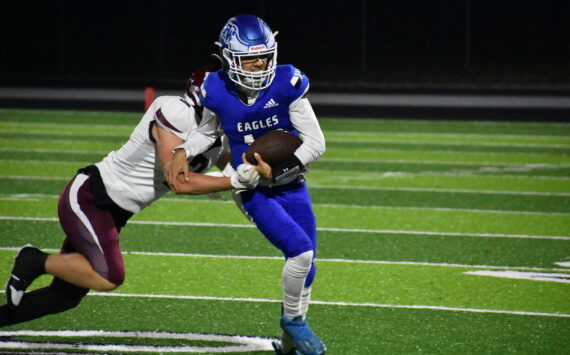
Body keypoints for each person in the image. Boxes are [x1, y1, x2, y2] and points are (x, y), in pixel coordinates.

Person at [0, 67, 261, 327]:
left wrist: (277, 167)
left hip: (113, 213)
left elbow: (238, 167)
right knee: (109, 275)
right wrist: (234, 180)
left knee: (64, 296)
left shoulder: (216, 134)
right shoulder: (176, 112)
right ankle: (33, 260)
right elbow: (179, 181)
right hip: (92, 197)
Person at [168, 14, 326, 355]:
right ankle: (294, 324)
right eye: (249, 57)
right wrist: (182, 150)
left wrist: (282, 167)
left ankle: (287, 346)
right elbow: (207, 133)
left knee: (307, 267)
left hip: (291, 183)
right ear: (228, 57)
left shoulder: (287, 82)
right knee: (300, 252)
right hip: (252, 189)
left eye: (264, 56)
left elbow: (316, 142)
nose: (259, 63)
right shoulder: (215, 88)